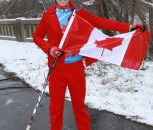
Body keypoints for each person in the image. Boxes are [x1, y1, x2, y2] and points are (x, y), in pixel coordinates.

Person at [33, 0, 145, 130]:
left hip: (76, 68)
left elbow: (102, 22)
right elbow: (37, 37)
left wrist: (129, 27)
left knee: (79, 107)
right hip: (56, 69)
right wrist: (50, 48)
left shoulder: (78, 13)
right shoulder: (48, 15)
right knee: (56, 109)